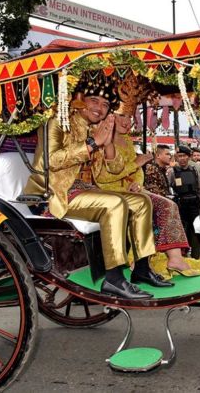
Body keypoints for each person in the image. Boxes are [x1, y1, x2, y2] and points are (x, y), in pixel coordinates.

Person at [23, 74, 172, 300]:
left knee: (142, 202)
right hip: (54, 194)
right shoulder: (57, 122)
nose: (100, 108)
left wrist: (108, 143)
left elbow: (112, 170)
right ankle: (114, 278)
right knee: (115, 203)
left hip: (88, 192)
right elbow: (49, 161)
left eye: (104, 104)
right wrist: (92, 144)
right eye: (94, 100)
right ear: (80, 99)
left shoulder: (98, 129)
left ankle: (142, 269)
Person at [93, 99, 200, 277]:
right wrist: (135, 163)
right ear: (109, 117)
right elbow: (101, 175)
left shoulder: (127, 141)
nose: (126, 121)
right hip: (111, 193)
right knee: (154, 205)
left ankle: (175, 257)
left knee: (168, 205)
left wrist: (137, 182)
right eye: (121, 115)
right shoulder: (98, 139)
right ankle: (139, 261)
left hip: (134, 191)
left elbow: (137, 171)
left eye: (129, 116)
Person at [170, 145, 200, 259]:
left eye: (184, 156)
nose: (182, 158)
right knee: (182, 232)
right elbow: (168, 188)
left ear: (188, 157)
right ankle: (183, 257)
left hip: (194, 204)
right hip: (180, 205)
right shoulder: (172, 171)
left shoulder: (195, 169)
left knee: (198, 231)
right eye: (179, 156)